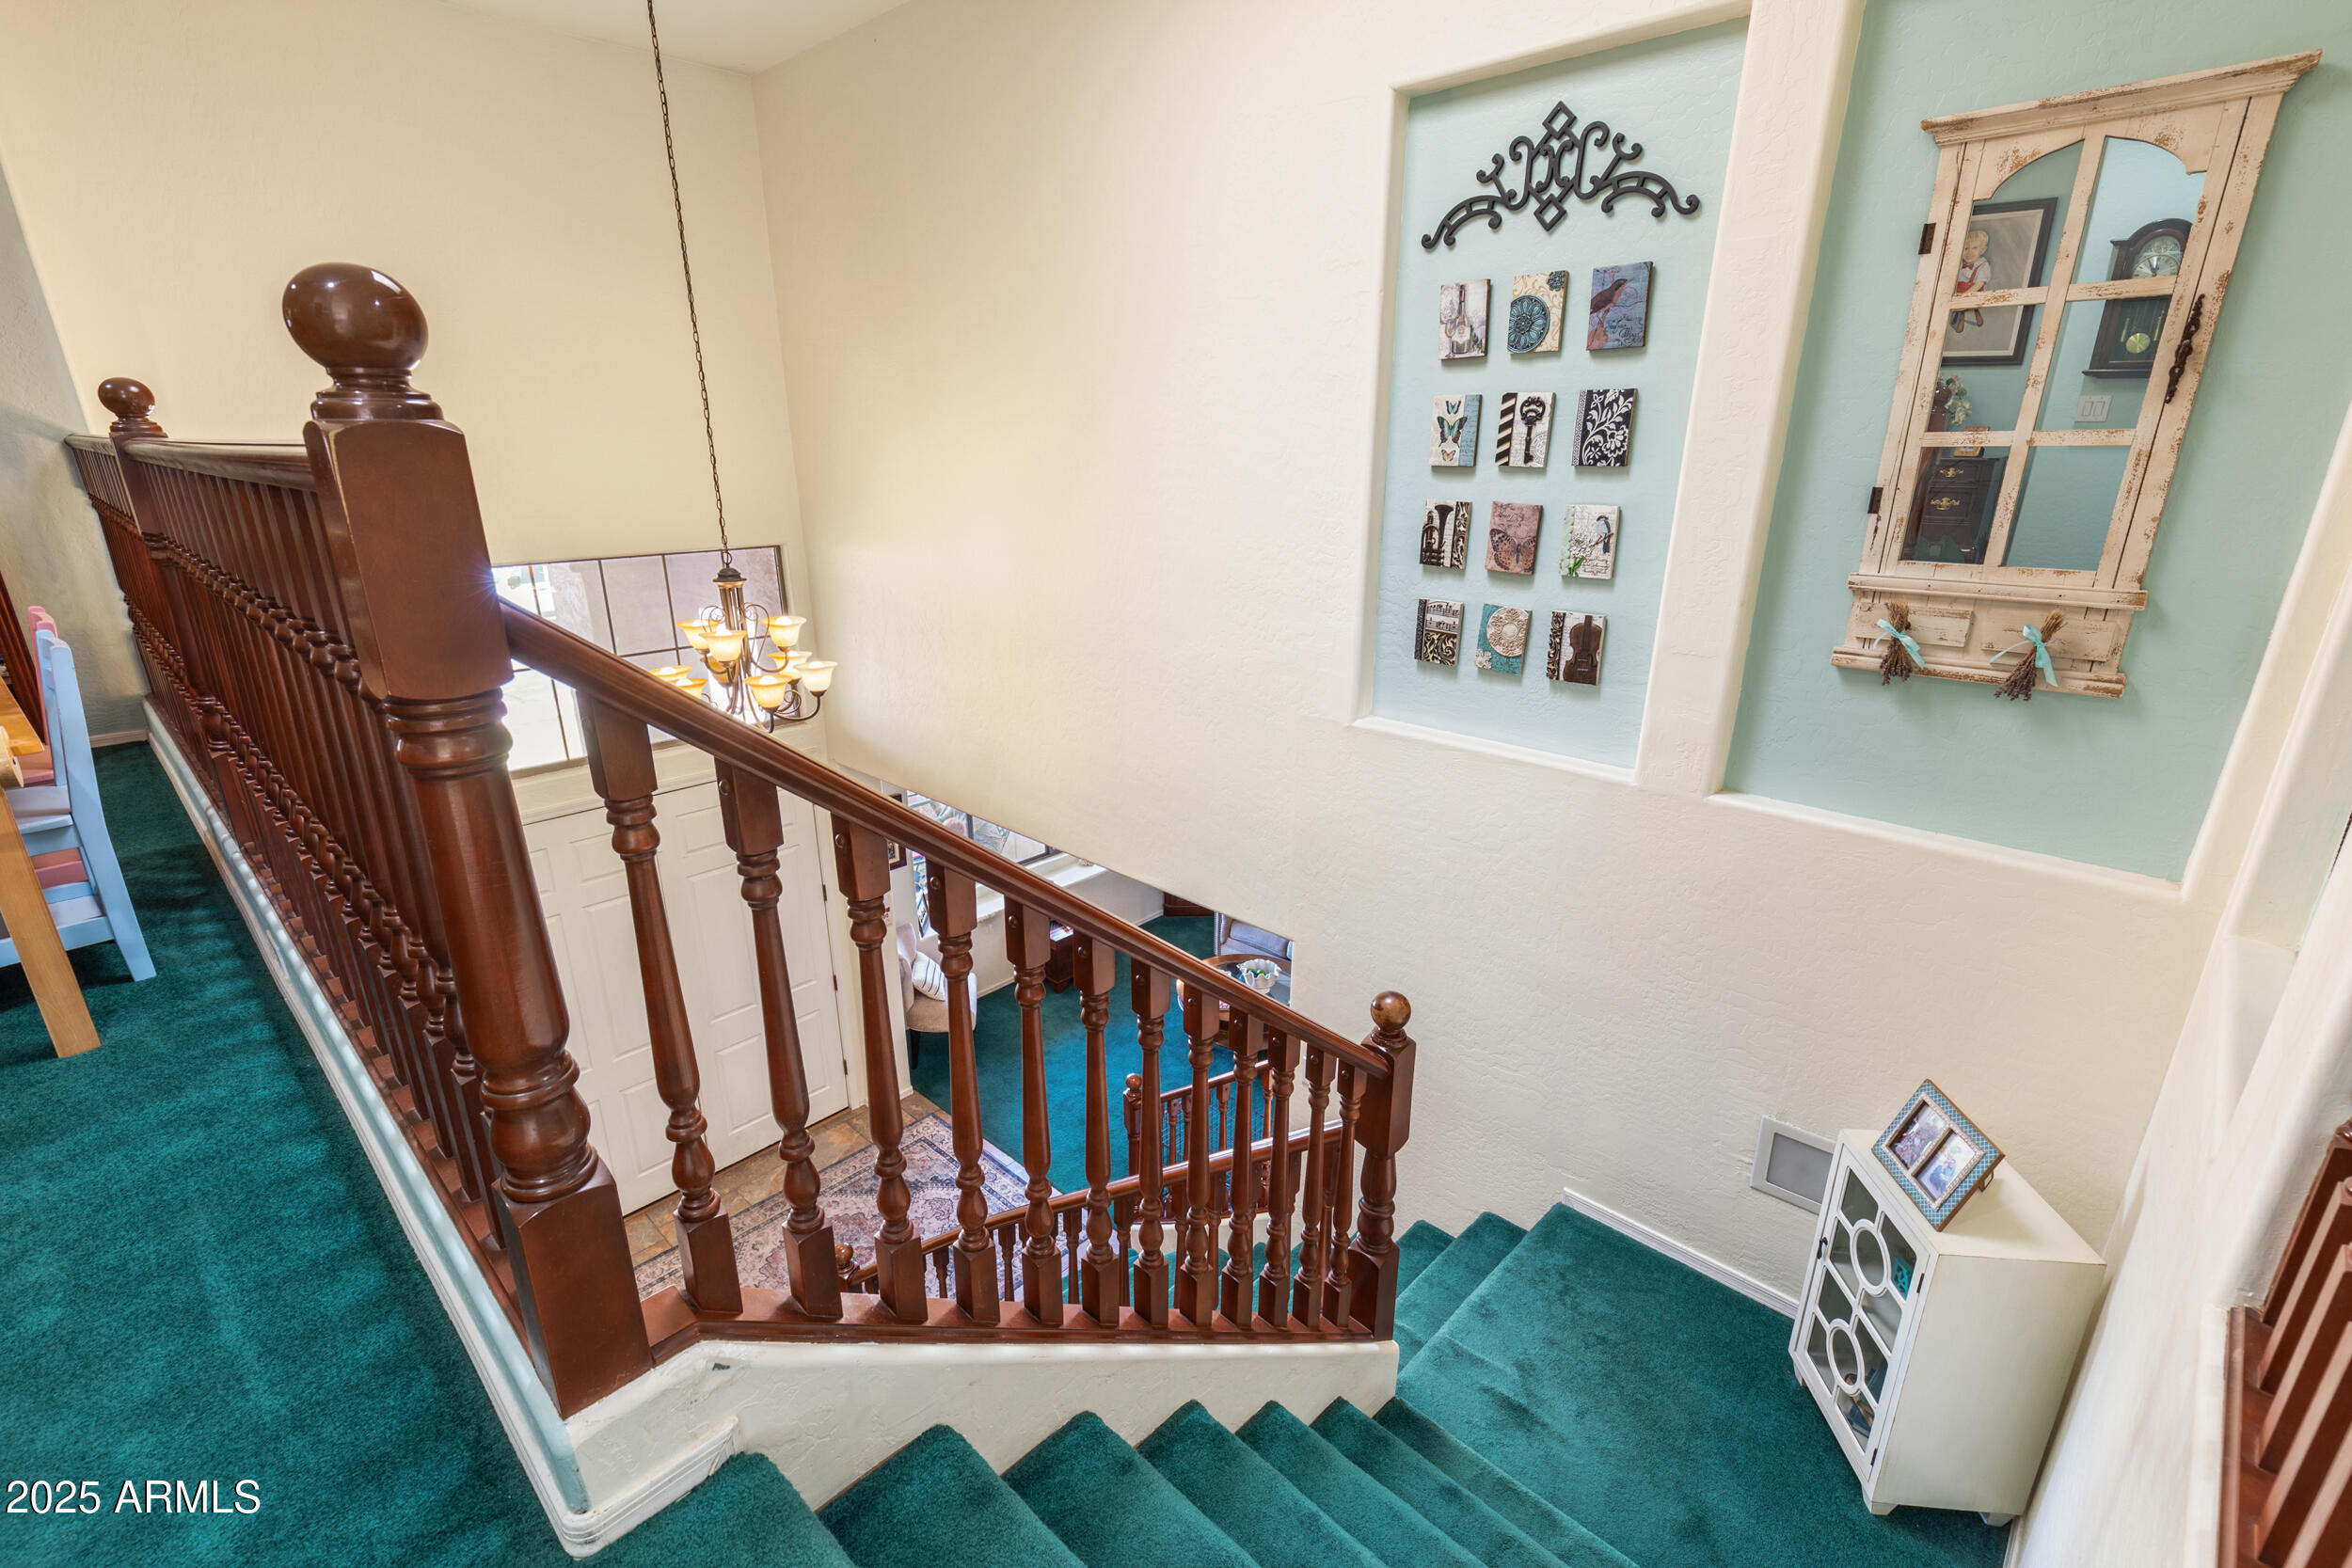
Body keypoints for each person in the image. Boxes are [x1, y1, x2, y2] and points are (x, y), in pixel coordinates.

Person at [1948, 229, 1993, 335]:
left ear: (1982, 250)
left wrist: (1965, 296)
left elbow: (1980, 283)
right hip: (1960, 291)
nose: (1969, 252)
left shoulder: (1983, 265)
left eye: (1975, 248)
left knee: (1962, 304)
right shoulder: (1961, 265)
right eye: (1966, 248)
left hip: (1974, 292)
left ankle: (1967, 314)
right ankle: (1960, 317)